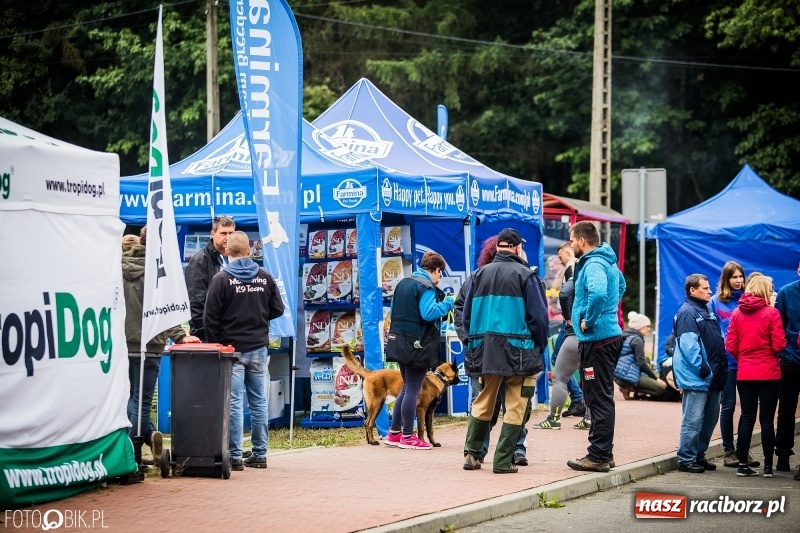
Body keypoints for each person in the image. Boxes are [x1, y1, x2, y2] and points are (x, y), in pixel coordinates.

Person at [461, 228, 548, 473]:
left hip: (485, 349)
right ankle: (503, 461)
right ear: (517, 247)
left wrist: (472, 342)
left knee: (483, 401)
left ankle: (472, 454)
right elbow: (539, 320)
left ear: (498, 247)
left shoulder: (477, 275)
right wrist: (539, 346)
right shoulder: (526, 275)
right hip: (520, 351)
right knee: (516, 405)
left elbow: (466, 317)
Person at [204, 231, 285, 470]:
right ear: (250, 251)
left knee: (235, 402)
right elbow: (278, 309)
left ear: (227, 252)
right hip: (259, 347)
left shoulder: (221, 279)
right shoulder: (265, 277)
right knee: (259, 401)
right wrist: (259, 316)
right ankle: (260, 454)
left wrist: (216, 342)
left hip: (232, 349)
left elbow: (210, 317)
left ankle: (236, 456)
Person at [121, 228, 199, 466]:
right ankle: (135, 450)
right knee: (142, 400)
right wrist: (180, 336)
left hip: (123, 344)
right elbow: (169, 309)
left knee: (127, 396)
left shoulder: (115, 269)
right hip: (152, 344)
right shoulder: (159, 272)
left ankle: (141, 441)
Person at [566, 221, 626, 473]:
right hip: (606, 336)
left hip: (597, 339)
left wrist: (590, 319)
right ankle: (604, 453)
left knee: (597, 398)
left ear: (582, 241)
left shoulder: (593, 264)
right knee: (601, 396)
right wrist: (609, 313)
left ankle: (598, 455)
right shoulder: (608, 262)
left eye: (571, 240)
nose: (570, 244)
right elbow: (620, 286)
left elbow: (600, 293)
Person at [384, 252, 455, 450]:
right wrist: (448, 303)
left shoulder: (403, 283)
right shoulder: (426, 286)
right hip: (416, 345)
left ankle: (394, 433)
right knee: (413, 390)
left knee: (407, 389)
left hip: (398, 342)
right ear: (437, 270)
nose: (439, 279)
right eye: (440, 275)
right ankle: (408, 436)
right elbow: (428, 312)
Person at [725, 275, 786, 477]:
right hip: (769, 372)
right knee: (767, 420)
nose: (771, 291)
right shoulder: (772, 313)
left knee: (746, 418)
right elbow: (779, 345)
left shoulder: (736, 313)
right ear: (764, 290)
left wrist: (745, 357)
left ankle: (742, 465)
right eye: (770, 288)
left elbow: (731, 345)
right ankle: (768, 467)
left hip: (745, 372)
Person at [673, 273, 728, 473]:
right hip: (700, 377)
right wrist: (704, 370)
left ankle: (698, 455)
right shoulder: (688, 312)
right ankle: (686, 459)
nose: (710, 291)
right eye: (705, 288)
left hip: (713, 376)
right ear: (692, 290)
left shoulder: (706, 310)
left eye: (709, 287)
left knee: (709, 420)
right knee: (693, 420)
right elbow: (689, 347)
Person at [709, 261, 756, 468]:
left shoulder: (749, 301)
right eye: (734, 277)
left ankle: (744, 450)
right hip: (726, 362)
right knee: (727, 407)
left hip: (748, 361)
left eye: (740, 277)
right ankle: (729, 451)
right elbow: (712, 331)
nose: (738, 281)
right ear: (726, 279)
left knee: (747, 409)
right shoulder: (715, 302)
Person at [185, 214, 235, 341]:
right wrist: (205, 334)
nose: (228, 237)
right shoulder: (200, 260)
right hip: (210, 335)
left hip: (233, 332)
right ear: (213, 233)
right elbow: (195, 301)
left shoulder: (235, 258)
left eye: (231, 233)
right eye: (223, 233)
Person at [775, 260, 800, 478]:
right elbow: (778, 325)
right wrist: (782, 354)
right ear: (799, 270)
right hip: (791, 359)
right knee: (786, 410)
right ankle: (783, 454)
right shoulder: (786, 292)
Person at [614, 311, 666, 400]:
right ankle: (629, 387)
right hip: (626, 375)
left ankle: (630, 387)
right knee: (660, 389)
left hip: (617, 373)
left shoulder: (625, 335)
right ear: (639, 327)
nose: (649, 329)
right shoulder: (637, 340)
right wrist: (655, 378)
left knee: (647, 359)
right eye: (647, 326)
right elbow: (641, 363)